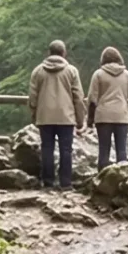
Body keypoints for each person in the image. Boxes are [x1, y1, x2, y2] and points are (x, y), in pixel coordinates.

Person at [26, 40, 87, 189]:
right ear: (64, 53)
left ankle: (48, 182)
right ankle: (65, 183)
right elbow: (78, 97)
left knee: (47, 148)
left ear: (49, 52)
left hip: (45, 116)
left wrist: (34, 114)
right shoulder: (71, 71)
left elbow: (32, 96)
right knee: (66, 149)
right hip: (66, 117)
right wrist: (80, 119)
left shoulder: (38, 71)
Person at [86, 46, 128, 169]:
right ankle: (122, 180)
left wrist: (90, 120)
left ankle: (101, 180)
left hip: (103, 117)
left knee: (103, 151)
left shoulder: (98, 74)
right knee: (122, 150)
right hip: (122, 116)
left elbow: (92, 99)